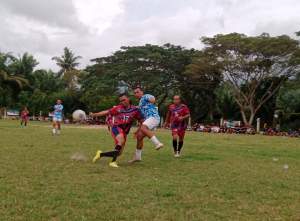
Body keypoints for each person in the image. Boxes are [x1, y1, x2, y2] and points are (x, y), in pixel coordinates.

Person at [90, 94, 143, 168]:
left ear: (128, 99)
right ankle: (113, 162)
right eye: (121, 101)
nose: (122, 102)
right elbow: (106, 112)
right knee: (120, 141)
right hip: (116, 127)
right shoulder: (118, 108)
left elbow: (141, 120)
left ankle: (100, 154)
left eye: (124, 100)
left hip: (125, 131)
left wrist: (140, 129)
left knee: (118, 153)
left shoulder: (135, 110)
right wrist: (95, 114)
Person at [129, 87, 163, 163]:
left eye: (137, 92)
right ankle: (137, 157)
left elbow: (152, 98)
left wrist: (152, 100)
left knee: (143, 128)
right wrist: (137, 130)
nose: (136, 94)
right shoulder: (140, 103)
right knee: (139, 136)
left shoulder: (145, 96)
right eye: (135, 93)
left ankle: (157, 143)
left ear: (142, 92)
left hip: (153, 117)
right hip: (149, 119)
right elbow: (141, 115)